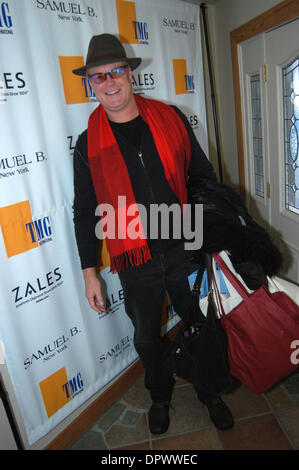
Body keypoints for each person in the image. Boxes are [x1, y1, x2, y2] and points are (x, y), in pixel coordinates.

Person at [72, 33, 234, 434]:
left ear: (130, 74)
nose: (109, 82)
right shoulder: (86, 144)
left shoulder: (170, 118)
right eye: (98, 77)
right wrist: (90, 271)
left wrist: (208, 235)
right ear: (91, 84)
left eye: (116, 71)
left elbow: (202, 178)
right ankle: (160, 395)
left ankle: (209, 390)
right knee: (146, 339)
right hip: (134, 259)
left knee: (200, 324)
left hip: (184, 247)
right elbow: (85, 210)